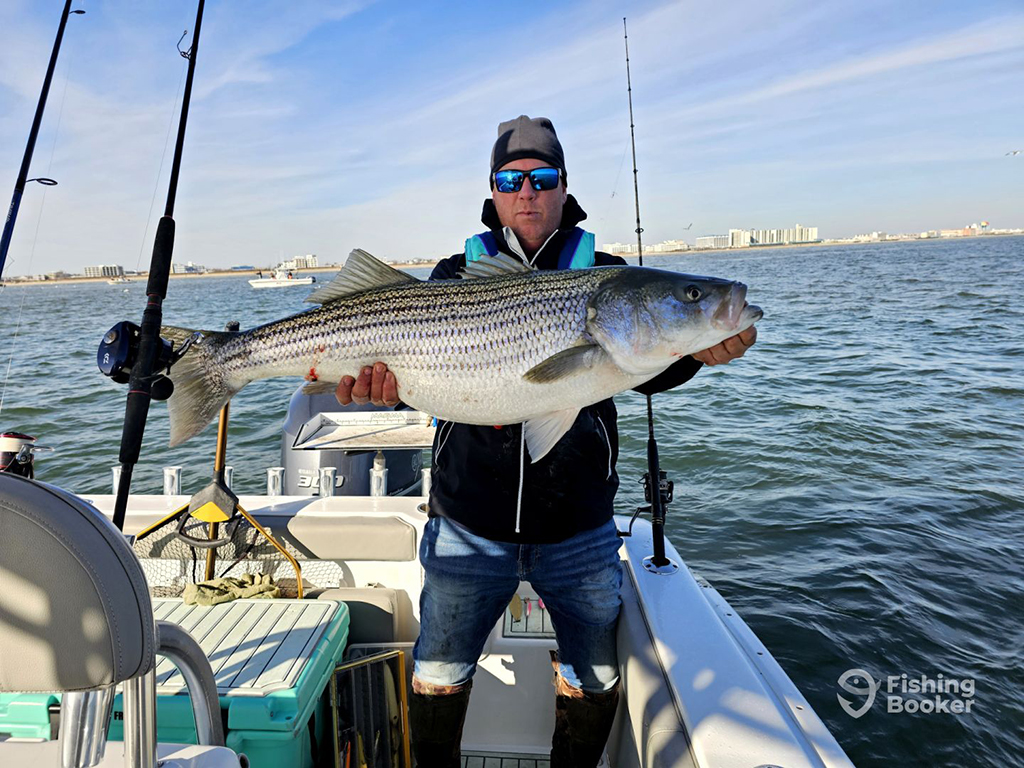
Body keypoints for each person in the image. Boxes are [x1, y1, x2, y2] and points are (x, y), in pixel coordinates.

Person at [336, 116, 756, 766]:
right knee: (438, 674)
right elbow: (412, 377)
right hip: (466, 524)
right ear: (495, 191)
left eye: (542, 178)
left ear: (564, 187)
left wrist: (700, 348)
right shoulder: (453, 276)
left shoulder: (612, 278)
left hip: (579, 530)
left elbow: (651, 365)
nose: (527, 191)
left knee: (595, 679)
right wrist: (382, 388)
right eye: (512, 179)